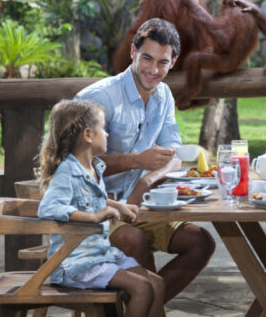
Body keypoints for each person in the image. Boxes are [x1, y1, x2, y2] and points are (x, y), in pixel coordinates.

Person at [75, 18, 215, 303]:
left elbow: (172, 154)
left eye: (162, 62)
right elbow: (73, 163)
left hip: (138, 207)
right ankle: (143, 305)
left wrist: (148, 180)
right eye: (147, 58)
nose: (153, 70)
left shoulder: (163, 95)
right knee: (133, 241)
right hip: (93, 211)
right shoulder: (100, 98)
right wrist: (136, 161)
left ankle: (137, 305)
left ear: (173, 62)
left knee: (200, 242)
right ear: (132, 53)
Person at [37, 99, 165, 317]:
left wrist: (116, 205)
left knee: (157, 284)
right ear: (88, 135)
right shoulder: (67, 172)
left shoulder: (93, 167)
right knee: (142, 288)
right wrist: (94, 217)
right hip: (77, 263)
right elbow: (48, 208)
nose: (107, 134)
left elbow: (88, 198)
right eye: (104, 129)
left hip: (101, 255)